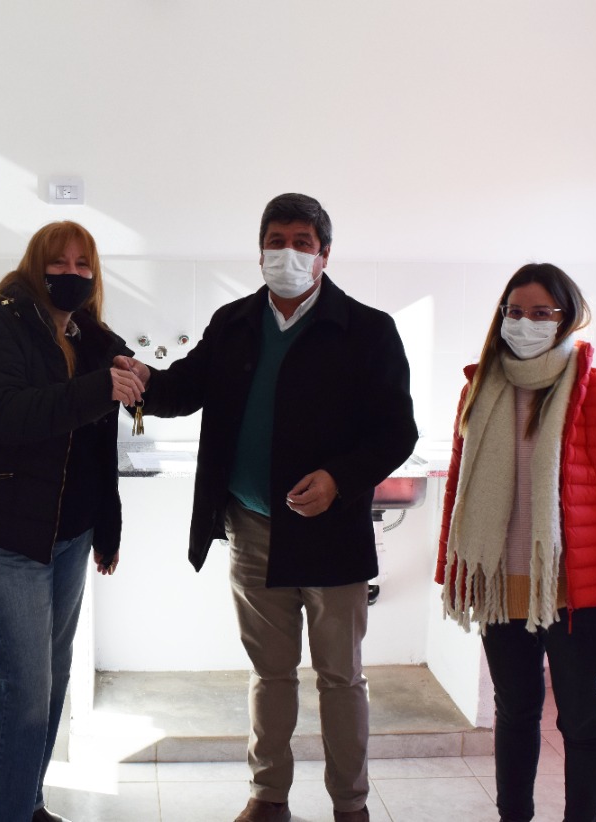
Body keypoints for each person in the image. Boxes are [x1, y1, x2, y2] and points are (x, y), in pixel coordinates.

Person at [114, 193, 417, 822]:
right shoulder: (233, 323)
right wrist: (141, 382)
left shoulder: (367, 330)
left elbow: (397, 432)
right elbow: (183, 389)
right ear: (259, 252)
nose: (288, 254)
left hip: (331, 535)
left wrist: (338, 479)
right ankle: (268, 796)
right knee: (269, 673)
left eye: (303, 243)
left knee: (340, 678)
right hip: (251, 530)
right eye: (276, 242)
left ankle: (351, 806)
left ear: (325, 255)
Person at [436, 262, 596, 822]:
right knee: (514, 713)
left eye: (541, 313)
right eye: (514, 312)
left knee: (583, 720)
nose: (524, 323)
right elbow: (459, 488)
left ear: (567, 318)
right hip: (502, 586)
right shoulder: (479, 390)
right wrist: (452, 569)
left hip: (582, 592)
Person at [0, 221, 142, 822]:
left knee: (51, 682)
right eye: (59, 262)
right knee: (28, 691)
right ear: (35, 265)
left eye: (83, 264)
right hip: (5, 537)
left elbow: (98, 444)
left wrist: (106, 525)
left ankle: (25, 805)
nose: (71, 274)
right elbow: (4, 415)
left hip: (69, 537)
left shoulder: (90, 337)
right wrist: (98, 388)